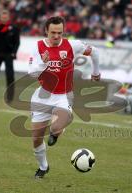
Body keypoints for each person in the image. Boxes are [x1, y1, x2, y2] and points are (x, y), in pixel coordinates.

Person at [28, 16, 100, 179]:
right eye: (53, 32)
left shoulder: (72, 45)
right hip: (42, 96)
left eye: (59, 32)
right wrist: (43, 64)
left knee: (56, 127)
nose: (56, 36)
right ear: (46, 31)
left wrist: (96, 72)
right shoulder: (38, 47)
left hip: (64, 96)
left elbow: (95, 52)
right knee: (36, 139)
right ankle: (43, 167)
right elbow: (31, 74)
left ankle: (56, 131)